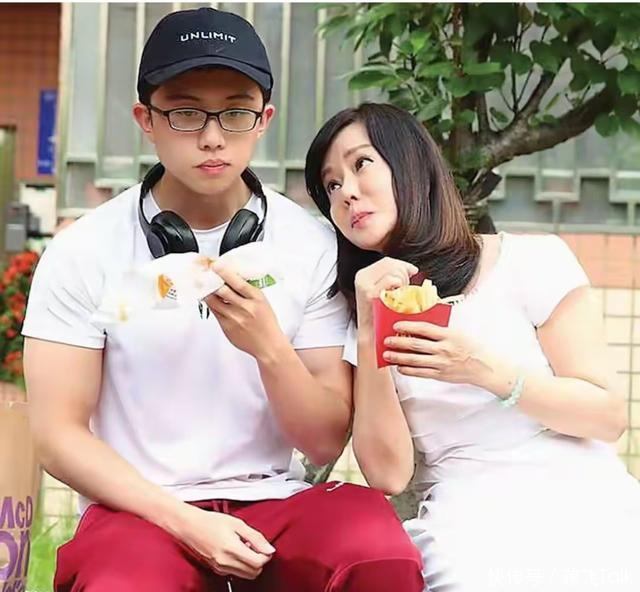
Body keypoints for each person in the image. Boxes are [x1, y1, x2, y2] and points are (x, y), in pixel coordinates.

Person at [22, 11, 423, 592]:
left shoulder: (311, 245)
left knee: (373, 548)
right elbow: (58, 434)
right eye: (186, 113)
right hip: (140, 509)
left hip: (275, 499)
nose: (213, 137)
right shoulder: (83, 249)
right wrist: (185, 522)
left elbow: (323, 440)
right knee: (123, 582)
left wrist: (269, 348)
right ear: (146, 120)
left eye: (235, 113)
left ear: (264, 120)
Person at [304, 102, 640, 592]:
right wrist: (370, 326)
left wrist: (482, 369)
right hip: (467, 518)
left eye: (361, 164)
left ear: (411, 165)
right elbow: (388, 475)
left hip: (581, 491)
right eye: (331, 185)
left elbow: (606, 417)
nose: (347, 192)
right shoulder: (357, 311)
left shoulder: (531, 259)